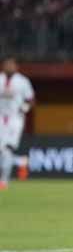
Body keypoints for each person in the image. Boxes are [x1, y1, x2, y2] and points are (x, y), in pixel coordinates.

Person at [0, 58, 34, 190]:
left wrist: (25, 108)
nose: (9, 67)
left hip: (15, 118)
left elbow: (30, 99)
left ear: (16, 67)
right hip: (0, 117)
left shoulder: (22, 81)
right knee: (2, 151)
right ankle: (21, 161)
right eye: (6, 65)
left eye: (11, 65)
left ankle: (3, 181)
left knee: (7, 149)